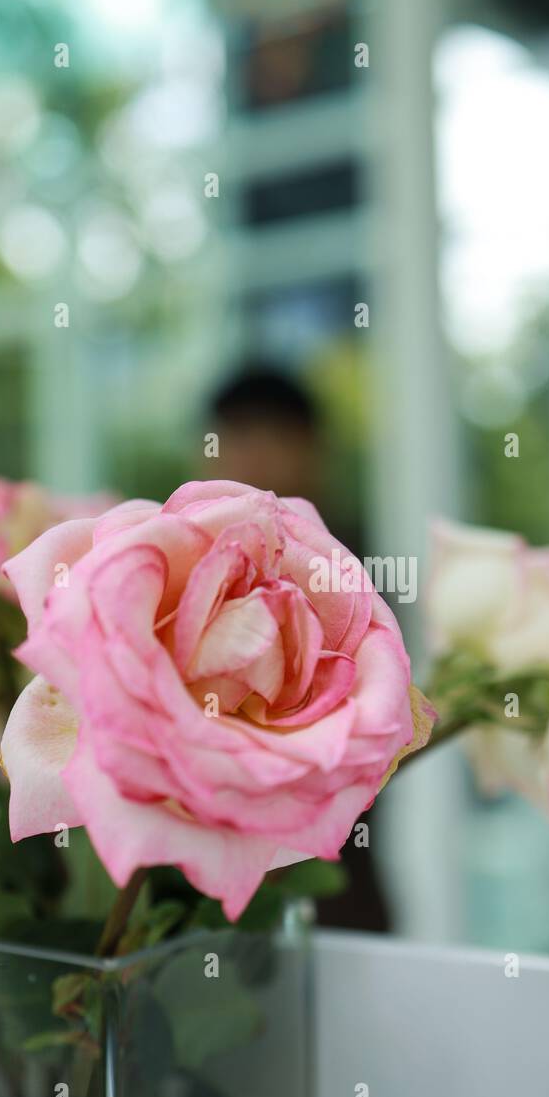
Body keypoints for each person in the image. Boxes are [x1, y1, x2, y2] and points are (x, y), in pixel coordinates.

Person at [203, 363, 389, 932]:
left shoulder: (349, 574)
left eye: (272, 437)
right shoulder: (195, 569)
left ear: (312, 450)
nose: (251, 456)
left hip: (335, 892)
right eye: (234, 438)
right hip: (209, 902)